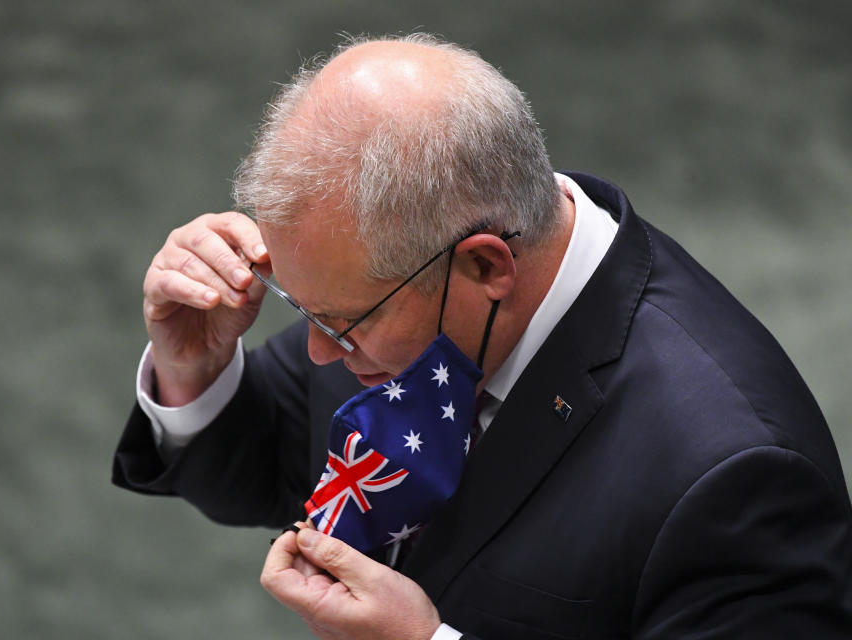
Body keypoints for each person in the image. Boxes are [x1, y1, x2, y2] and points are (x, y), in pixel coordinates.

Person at [112, 34, 852, 639]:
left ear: (485, 265)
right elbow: (272, 456)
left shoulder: (737, 475)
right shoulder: (399, 278)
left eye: (341, 323)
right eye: (304, 312)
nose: (317, 353)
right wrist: (195, 369)